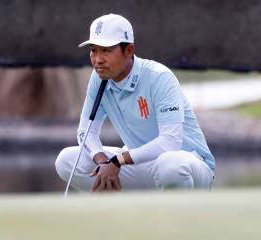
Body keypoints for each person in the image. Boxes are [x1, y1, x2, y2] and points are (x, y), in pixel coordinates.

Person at [55, 13, 215, 192]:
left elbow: (170, 143)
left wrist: (118, 161)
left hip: (190, 164)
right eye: (94, 50)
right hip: (139, 165)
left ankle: (178, 217)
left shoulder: (159, 77)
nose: (98, 59)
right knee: (66, 160)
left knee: (170, 164)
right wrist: (103, 162)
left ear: (129, 51)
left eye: (106, 50)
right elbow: (86, 132)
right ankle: (123, 214)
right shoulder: (99, 78)